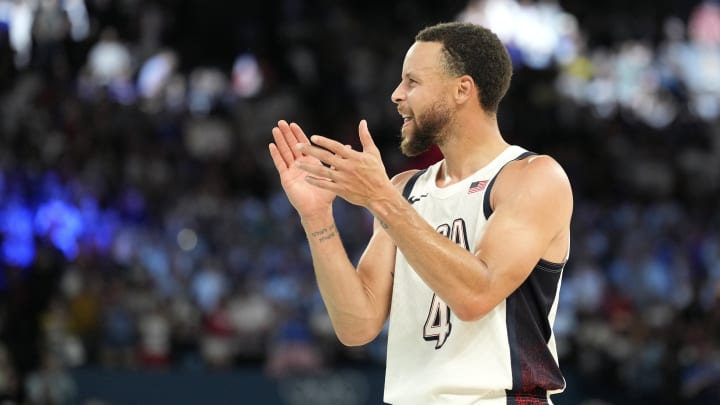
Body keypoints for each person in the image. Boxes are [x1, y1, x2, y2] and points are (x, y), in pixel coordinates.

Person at [268, 21, 573, 404]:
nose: (396, 95)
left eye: (412, 82)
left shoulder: (532, 177)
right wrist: (316, 218)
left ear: (462, 89)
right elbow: (357, 325)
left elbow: (474, 296)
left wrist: (383, 202)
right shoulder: (405, 190)